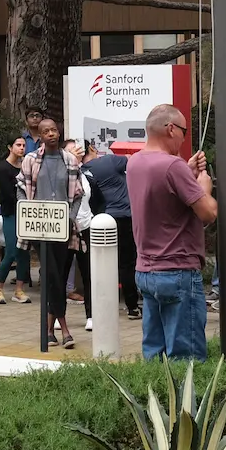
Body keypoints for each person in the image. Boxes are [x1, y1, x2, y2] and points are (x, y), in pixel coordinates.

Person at [127, 104, 215, 361]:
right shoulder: (172, 166)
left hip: (146, 271)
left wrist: (187, 172)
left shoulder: (135, 162)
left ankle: (156, 401)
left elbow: (162, 190)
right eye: (184, 132)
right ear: (171, 129)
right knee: (185, 358)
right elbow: (208, 213)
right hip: (177, 270)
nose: (185, 138)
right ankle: (187, 403)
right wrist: (204, 187)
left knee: (154, 353)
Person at [19, 117, 85, 347]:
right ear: (40, 135)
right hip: (39, 229)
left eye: (54, 130)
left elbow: (78, 194)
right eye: (46, 131)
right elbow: (20, 188)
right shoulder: (30, 160)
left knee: (55, 277)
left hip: (63, 229)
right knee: (52, 276)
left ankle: (48, 331)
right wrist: (27, 213)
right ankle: (65, 328)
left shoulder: (70, 160)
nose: (51, 134)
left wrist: (69, 218)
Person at [81, 136, 139, 318]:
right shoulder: (109, 161)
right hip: (123, 217)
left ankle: (103, 306)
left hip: (98, 220)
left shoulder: (80, 171)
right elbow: (134, 162)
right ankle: (132, 307)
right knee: (126, 263)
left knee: (102, 263)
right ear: (91, 148)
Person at [0, 138, 32, 305]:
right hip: (11, 213)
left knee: (24, 253)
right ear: (10, 147)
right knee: (12, 251)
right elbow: (8, 195)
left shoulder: (26, 166)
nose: (21, 148)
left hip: (27, 214)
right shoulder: (3, 168)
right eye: (18, 145)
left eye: (23, 145)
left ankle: (19, 290)